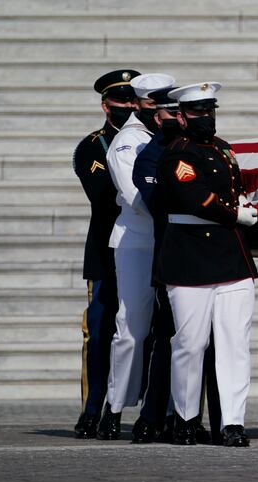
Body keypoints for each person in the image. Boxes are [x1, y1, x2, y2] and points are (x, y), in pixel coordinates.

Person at [156, 82, 258, 447]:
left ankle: (232, 422)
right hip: (190, 257)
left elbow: (234, 187)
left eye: (210, 111)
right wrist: (237, 214)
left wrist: (248, 202)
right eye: (198, 112)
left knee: (235, 343)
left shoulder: (223, 149)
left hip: (231, 258)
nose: (206, 118)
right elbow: (196, 197)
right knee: (190, 343)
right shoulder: (176, 154)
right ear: (182, 116)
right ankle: (185, 419)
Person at [129, 87, 222, 445]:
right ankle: (154, 417)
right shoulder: (154, 156)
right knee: (172, 340)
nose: (174, 122)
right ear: (160, 118)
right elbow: (163, 207)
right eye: (168, 115)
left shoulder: (201, 151)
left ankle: (199, 417)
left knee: (208, 343)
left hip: (210, 257)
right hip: (174, 257)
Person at [96, 73, 177, 440]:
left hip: (171, 240)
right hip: (139, 241)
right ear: (139, 104)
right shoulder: (128, 142)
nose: (158, 111)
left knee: (175, 331)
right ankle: (113, 410)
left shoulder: (167, 137)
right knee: (131, 329)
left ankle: (168, 411)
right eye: (150, 105)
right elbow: (135, 195)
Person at [72, 69, 139, 439]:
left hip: (148, 247)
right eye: (122, 101)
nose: (129, 107)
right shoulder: (92, 146)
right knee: (99, 332)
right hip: (106, 252)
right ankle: (92, 407)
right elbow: (104, 196)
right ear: (105, 105)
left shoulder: (157, 140)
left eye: (134, 100)